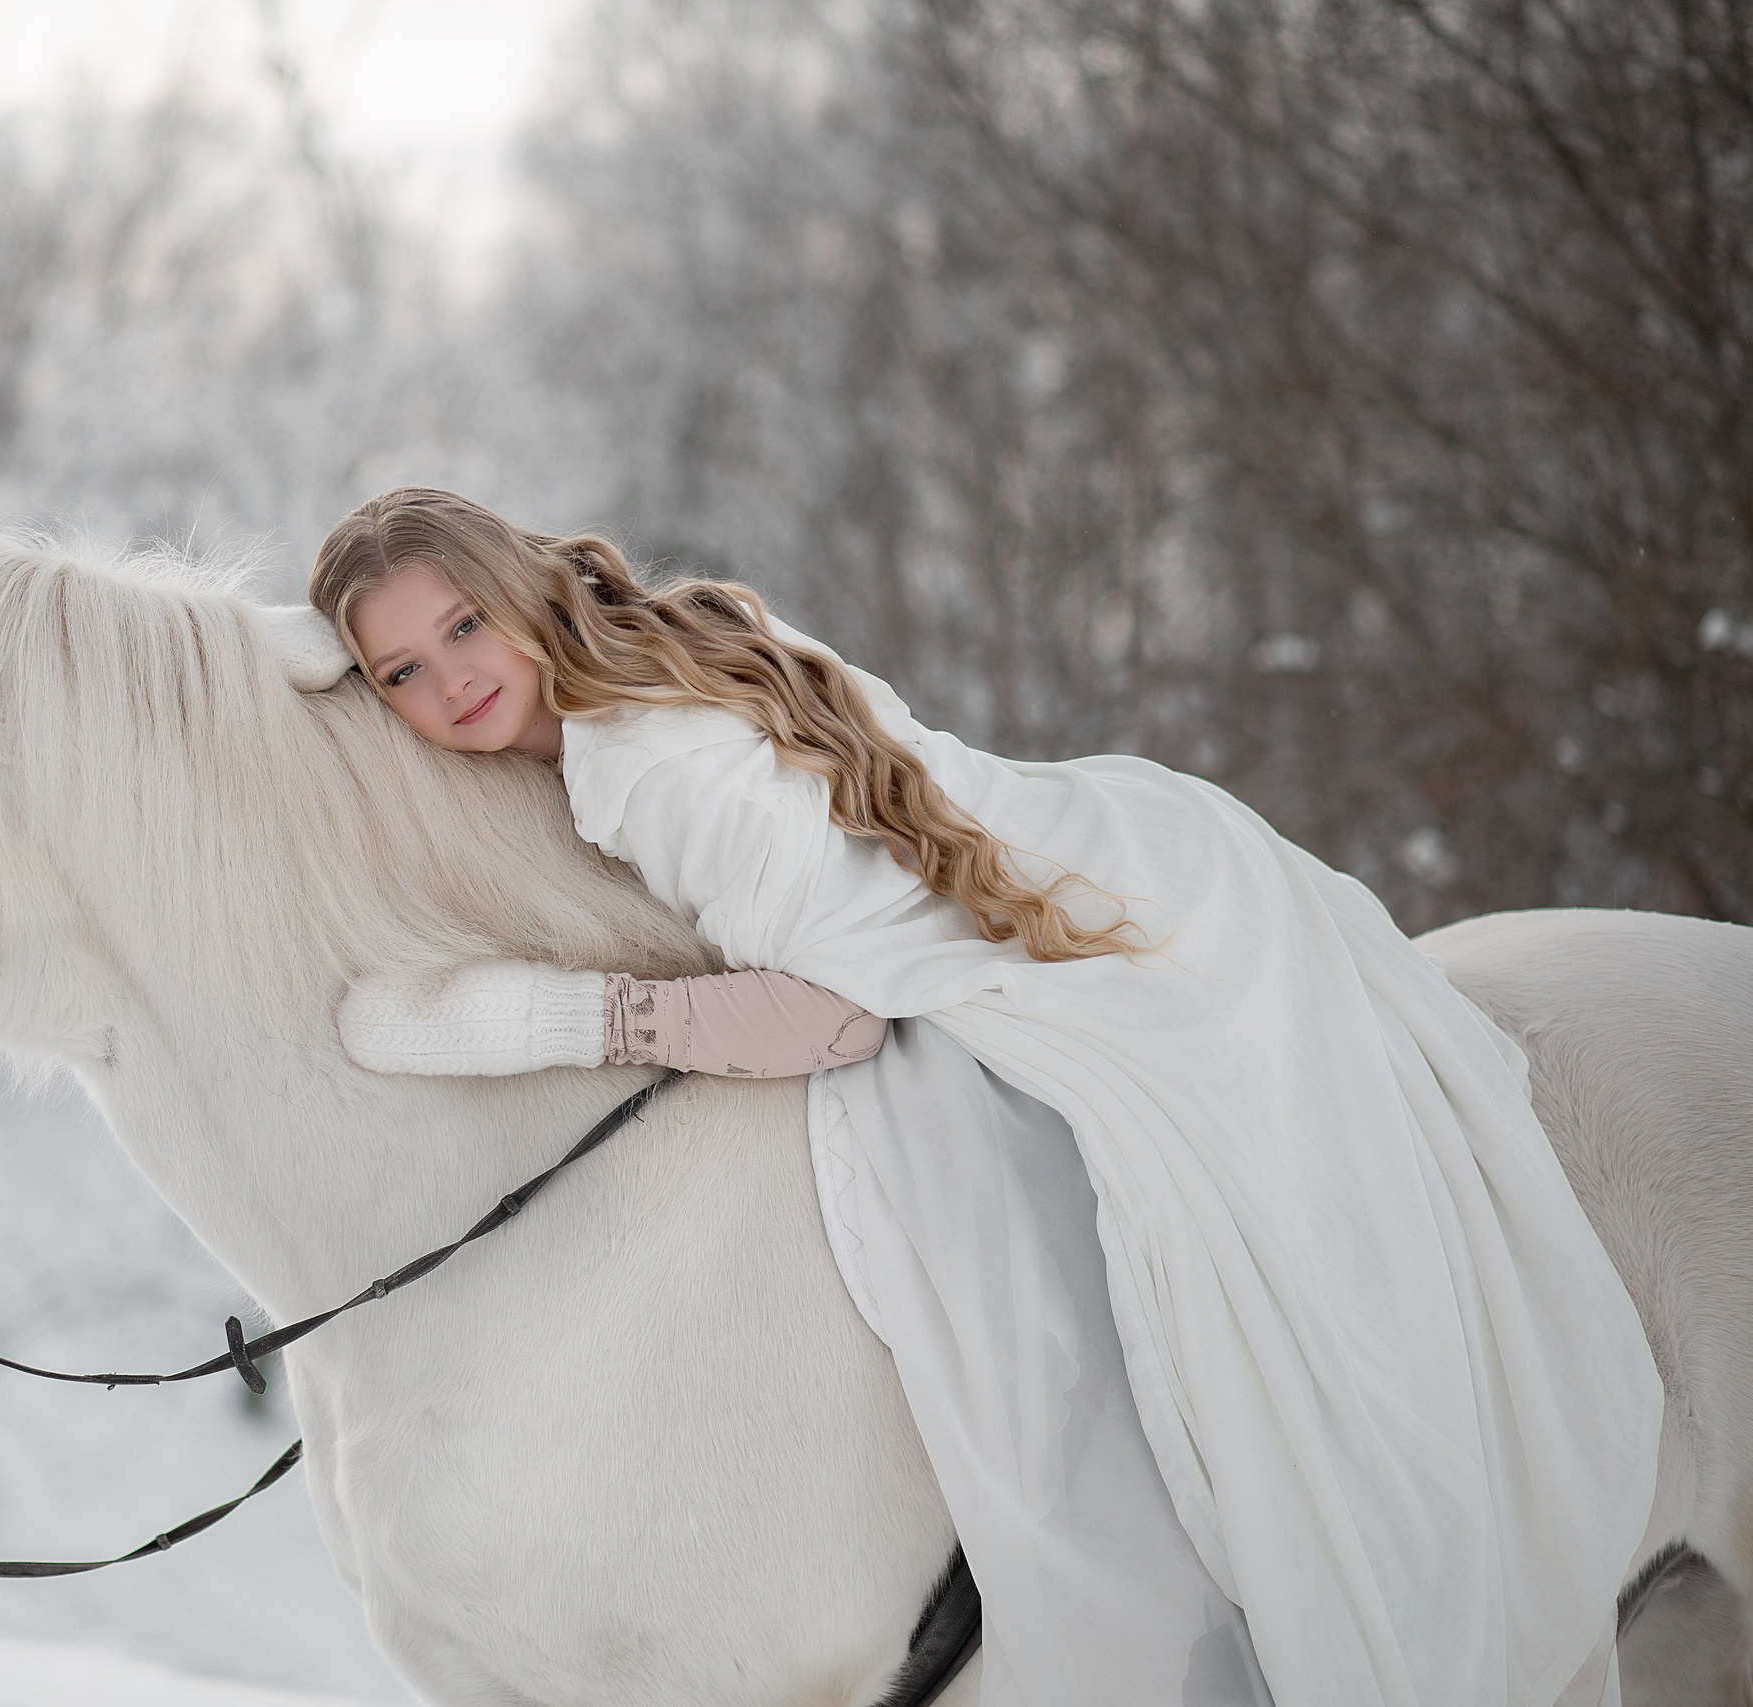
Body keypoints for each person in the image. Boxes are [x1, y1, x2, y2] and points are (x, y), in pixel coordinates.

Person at [307, 487, 1662, 1707]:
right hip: (1119, 846)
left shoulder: (648, 767)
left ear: (520, 589)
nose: (450, 681)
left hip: (1094, 949)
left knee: (1106, 1289)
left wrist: (528, 1021)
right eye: (401, 671)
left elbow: (833, 1015)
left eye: (465, 626)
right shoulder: (638, 675)